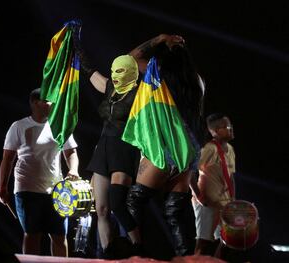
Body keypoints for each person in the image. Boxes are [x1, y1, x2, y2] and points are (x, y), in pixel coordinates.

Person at [75, 33, 189, 258]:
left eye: (121, 71)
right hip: (104, 148)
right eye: (114, 70)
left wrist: (158, 41)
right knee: (101, 209)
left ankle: (138, 247)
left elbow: (131, 59)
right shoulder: (110, 88)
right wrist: (75, 46)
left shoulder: (141, 92)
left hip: (124, 148)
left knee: (118, 203)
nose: (116, 74)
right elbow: (89, 70)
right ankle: (107, 254)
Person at [123, 34, 206, 256]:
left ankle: (134, 255)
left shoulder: (156, 73)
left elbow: (128, 59)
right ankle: (185, 258)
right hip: (187, 151)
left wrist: (159, 39)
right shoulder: (197, 81)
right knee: (174, 212)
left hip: (163, 148)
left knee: (133, 202)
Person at [0, 88, 79, 257]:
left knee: (59, 236)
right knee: (32, 235)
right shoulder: (19, 126)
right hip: (27, 190)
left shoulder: (59, 124)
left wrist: (73, 169)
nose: (51, 104)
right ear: (35, 103)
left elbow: (71, 153)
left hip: (56, 190)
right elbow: (7, 159)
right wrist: (2, 187)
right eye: (48, 100)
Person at [192, 113, 235, 256]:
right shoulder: (210, 149)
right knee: (203, 243)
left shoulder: (230, 150)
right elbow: (190, 173)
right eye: (226, 126)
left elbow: (230, 177)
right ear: (215, 131)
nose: (230, 128)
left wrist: (232, 201)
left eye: (230, 125)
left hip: (223, 203)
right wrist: (199, 197)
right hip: (207, 202)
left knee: (225, 241)